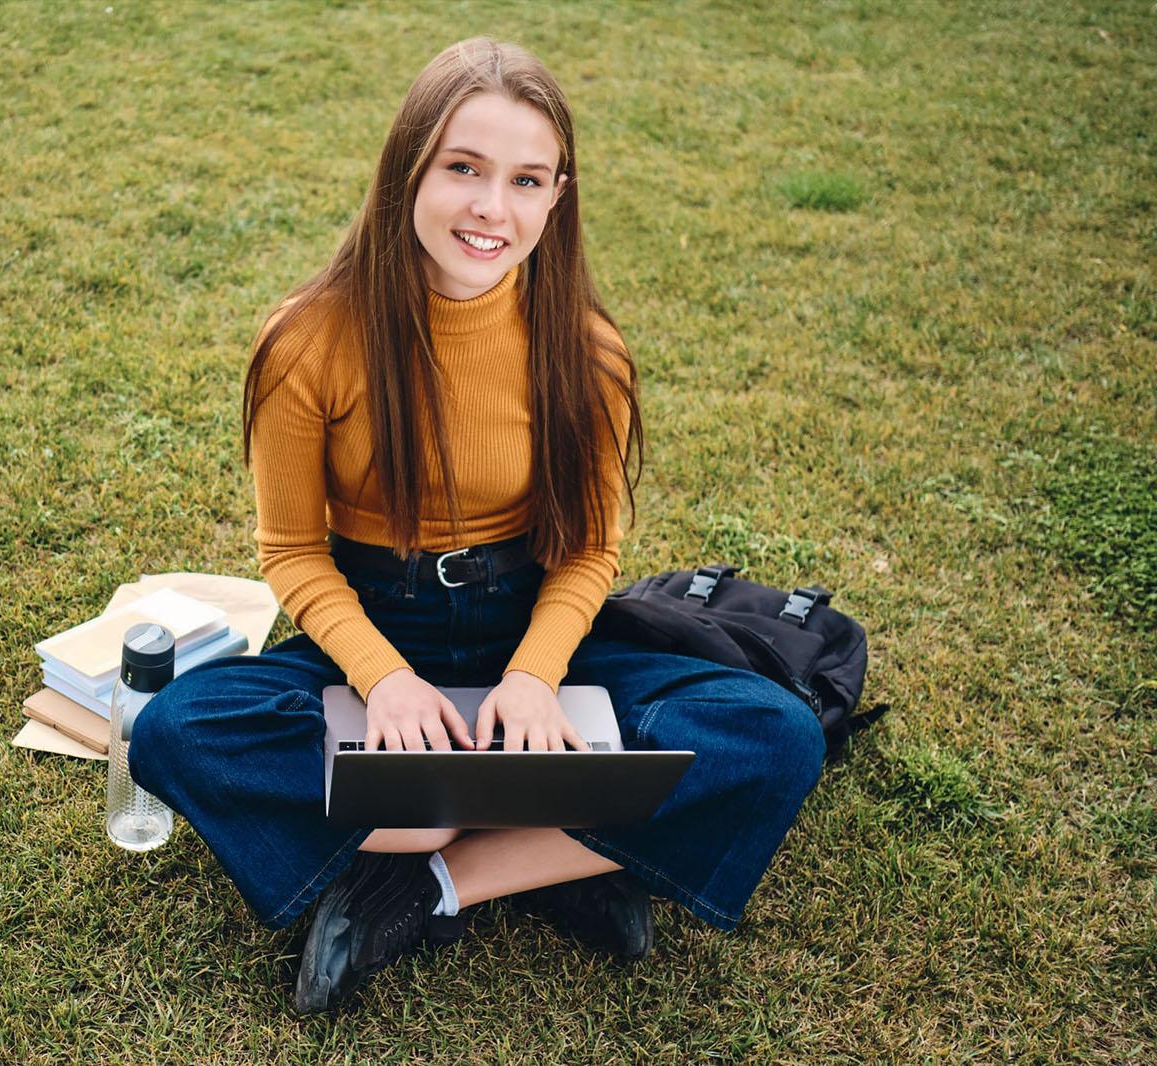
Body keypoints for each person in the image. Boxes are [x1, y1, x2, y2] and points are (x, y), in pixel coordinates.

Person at [129, 37, 824, 1014]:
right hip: (376, 627)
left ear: (556, 194)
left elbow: (586, 551)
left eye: (525, 179)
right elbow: (290, 551)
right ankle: (563, 848)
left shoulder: (587, 350)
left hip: (529, 621)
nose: (491, 208)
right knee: (174, 730)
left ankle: (430, 878)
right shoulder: (308, 339)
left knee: (778, 735)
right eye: (462, 168)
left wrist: (536, 678)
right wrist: (388, 684)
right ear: (406, 167)